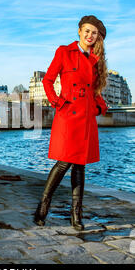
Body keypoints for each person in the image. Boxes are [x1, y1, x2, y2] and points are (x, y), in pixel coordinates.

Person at [33, 15, 109, 231]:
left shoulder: (96, 59)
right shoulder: (64, 52)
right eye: (87, 31)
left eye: (94, 33)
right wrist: (57, 102)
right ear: (79, 31)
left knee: (80, 165)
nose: (90, 35)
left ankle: (76, 215)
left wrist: (99, 107)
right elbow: (47, 80)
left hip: (85, 117)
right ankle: (43, 207)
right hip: (68, 114)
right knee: (64, 162)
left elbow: (95, 90)